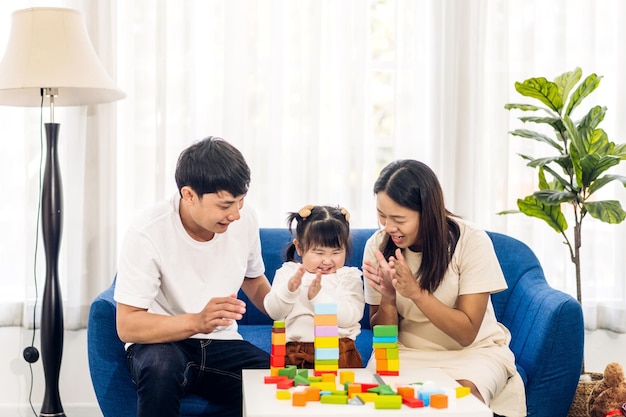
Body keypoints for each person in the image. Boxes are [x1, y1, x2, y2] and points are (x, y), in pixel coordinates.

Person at [114, 136, 272, 417]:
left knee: (274, 383)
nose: (235, 214)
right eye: (225, 205)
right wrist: (197, 321)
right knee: (160, 370)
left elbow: (254, 280)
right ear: (188, 195)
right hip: (162, 343)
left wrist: (290, 306)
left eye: (241, 202)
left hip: (222, 344)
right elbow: (127, 325)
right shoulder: (147, 232)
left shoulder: (245, 219)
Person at [361, 159, 526, 417]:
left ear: (427, 212)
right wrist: (389, 298)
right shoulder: (378, 247)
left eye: (398, 218)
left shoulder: (470, 241)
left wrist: (416, 293)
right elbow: (384, 338)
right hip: (405, 353)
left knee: (458, 405)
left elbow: (466, 333)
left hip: (472, 353)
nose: (388, 227)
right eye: (382, 215)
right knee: (378, 407)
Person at [263, 204, 365, 368]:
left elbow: (350, 317)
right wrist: (289, 291)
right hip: (295, 353)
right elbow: (274, 312)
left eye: (336, 252)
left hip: (340, 352)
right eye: (319, 253)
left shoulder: (348, 277)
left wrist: (319, 298)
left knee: (342, 392)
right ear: (299, 248)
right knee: (294, 393)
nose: (327, 260)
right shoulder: (288, 273)